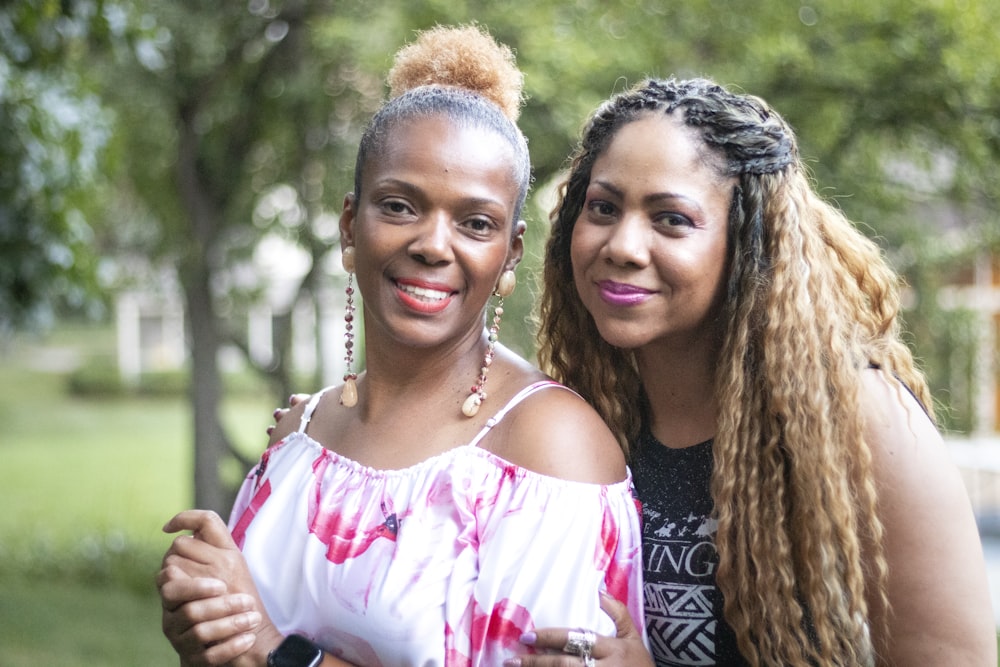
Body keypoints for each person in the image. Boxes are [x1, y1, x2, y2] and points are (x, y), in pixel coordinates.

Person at [156, 25, 644, 667]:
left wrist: (273, 653)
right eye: (399, 206)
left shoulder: (548, 452)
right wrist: (206, 629)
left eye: (475, 223)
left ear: (509, 253)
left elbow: (263, 647)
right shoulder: (297, 438)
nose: (434, 245)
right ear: (349, 226)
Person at [514, 77, 996, 666]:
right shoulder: (580, 410)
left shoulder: (857, 417)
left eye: (672, 219)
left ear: (748, 242)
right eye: (603, 208)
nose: (623, 245)